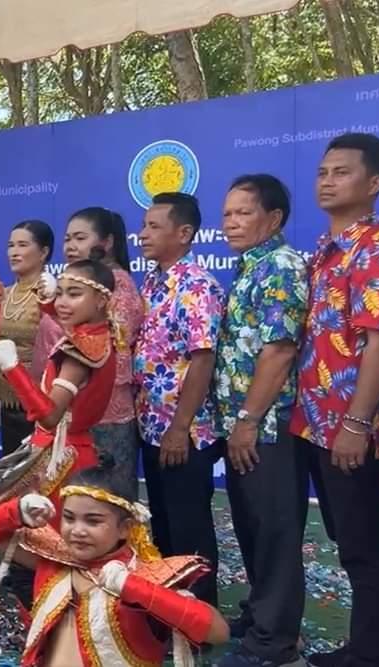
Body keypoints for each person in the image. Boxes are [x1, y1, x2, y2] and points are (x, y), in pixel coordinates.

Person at [291, 133, 379, 667]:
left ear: (374, 183)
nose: (328, 181)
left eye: (342, 172)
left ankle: (373, 653)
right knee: (348, 536)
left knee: (363, 543)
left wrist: (356, 425)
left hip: (351, 427)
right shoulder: (324, 249)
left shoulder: (377, 248)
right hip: (316, 423)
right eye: (323, 172)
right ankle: (372, 639)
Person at [0, 457, 230, 666]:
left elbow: (217, 632)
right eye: (69, 518)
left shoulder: (143, 577)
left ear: (125, 528)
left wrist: (133, 588)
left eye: (93, 521)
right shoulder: (55, 561)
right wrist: (17, 511)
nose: (78, 530)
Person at [0, 257, 117, 616]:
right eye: (63, 293)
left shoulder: (80, 352)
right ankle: (54, 606)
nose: (63, 302)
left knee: (23, 530)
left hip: (60, 454)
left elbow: (50, 414)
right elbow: (68, 320)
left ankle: (52, 610)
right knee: (45, 533)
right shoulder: (98, 334)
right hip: (68, 449)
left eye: (74, 294)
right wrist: (49, 304)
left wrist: (12, 368)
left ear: (100, 300)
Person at [212, 175, 309, 667]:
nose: (231, 222)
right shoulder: (251, 265)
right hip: (242, 425)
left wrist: (248, 420)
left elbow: (280, 351)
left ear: (273, 219)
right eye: (227, 213)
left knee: (274, 531)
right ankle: (261, 617)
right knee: (252, 526)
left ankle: (274, 643)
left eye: (243, 213)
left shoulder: (281, 266)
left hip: (266, 427)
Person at [134, 192, 224, 607]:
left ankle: (199, 617)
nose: (143, 234)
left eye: (154, 226)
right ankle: (168, 612)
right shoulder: (152, 282)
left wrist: (180, 427)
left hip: (183, 432)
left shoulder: (197, 286)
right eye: (144, 225)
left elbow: (202, 359)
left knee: (190, 531)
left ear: (184, 233)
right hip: (151, 427)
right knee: (165, 527)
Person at [63, 207, 143, 495]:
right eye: (68, 239)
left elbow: (115, 355)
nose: (71, 246)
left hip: (105, 413)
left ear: (106, 242)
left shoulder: (117, 286)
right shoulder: (82, 282)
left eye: (80, 238)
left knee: (106, 500)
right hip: (74, 408)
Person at [0, 219, 56, 458]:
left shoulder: (50, 296)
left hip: (40, 403)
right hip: (7, 405)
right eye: (11, 245)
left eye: (22, 245)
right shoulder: (4, 294)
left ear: (44, 252)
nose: (14, 252)